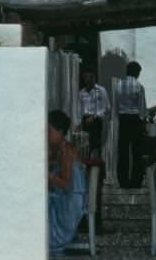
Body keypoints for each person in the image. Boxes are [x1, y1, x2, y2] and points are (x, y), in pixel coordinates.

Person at [47, 110, 88, 258]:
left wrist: (47, 175)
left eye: (49, 131)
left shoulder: (65, 151)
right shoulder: (63, 149)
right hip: (70, 202)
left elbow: (65, 185)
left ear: (60, 131)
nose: (46, 135)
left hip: (69, 206)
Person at [115, 61, 148, 188]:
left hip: (123, 119)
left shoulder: (119, 85)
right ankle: (136, 180)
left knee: (123, 150)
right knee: (136, 151)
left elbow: (116, 105)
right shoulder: (139, 86)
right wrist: (143, 123)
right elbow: (142, 108)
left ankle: (122, 180)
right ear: (136, 72)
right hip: (135, 119)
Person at [79, 67, 109, 157]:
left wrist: (94, 116)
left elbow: (106, 107)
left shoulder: (101, 90)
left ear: (95, 77)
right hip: (84, 121)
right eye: (86, 77)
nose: (88, 79)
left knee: (95, 146)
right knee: (84, 146)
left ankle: (96, 167)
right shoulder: (81, 93)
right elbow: (78, 109)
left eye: (91, 76)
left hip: (96, 121)